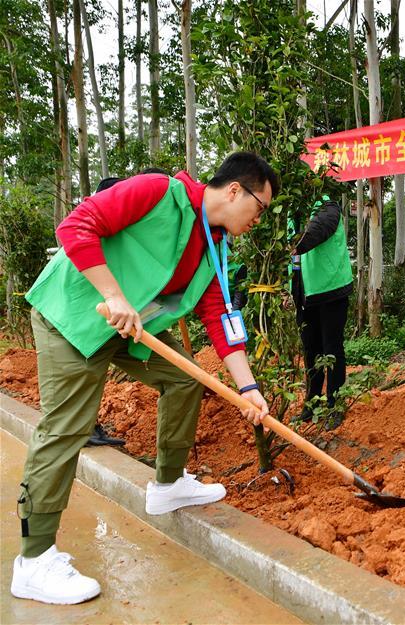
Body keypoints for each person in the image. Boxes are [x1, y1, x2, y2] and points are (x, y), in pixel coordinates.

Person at [11, 152, 278, 605]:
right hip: (74, 316)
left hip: (131, 333)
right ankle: (33, 561)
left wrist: (249, 389)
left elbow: (219, 316)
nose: (260, 219)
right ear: (235, 190)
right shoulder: (157, 192)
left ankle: (168, 486)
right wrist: (113, 295)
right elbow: (76, 227)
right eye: (261, 207)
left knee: (184, 379)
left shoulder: (214, 246)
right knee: (68, 426)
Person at [85, 168, 172, 448]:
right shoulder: (118, 193)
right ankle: (86, 427)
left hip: (115, 303)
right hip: (99, 300)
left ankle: (88, 426)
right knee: (89, 365)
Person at [291, 195, 353, 431]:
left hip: (331, 289)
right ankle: (312, 403)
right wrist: (292, 289)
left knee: (332, 350)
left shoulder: (327, 205)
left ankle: (335, 404)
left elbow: (319, 229)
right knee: (311, 350)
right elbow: (295, 261)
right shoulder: (289, 209)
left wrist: (294, 244)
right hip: (306, 293)